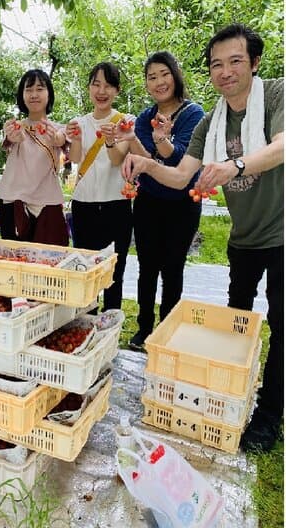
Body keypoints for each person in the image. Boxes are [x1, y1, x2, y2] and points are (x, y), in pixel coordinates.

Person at [123, 24, 283, 452]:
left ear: (254, 62)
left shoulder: (275, 96)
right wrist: (145, 165)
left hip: (282, 232)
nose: (226, 71)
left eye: (235, 61)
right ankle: (229, 394)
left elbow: (283, 145)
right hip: (244, 237)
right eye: (217, 64)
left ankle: (269, 416)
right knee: (236, 322)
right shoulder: (210, 121)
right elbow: (178, 176)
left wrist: (237, 166)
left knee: (281, 327)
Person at [113, 52, 205, 348]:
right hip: (149, 202)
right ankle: (143, 328)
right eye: (151, 77)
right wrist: (128, 139)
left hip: (182, 203)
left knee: (173, 267)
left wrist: (162, 139)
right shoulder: (144, 116)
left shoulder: (194, 114)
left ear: (175, 75)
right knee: (147, 266)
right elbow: (142, 157)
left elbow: (178, 159)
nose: (158, 82)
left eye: (164, 74)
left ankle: (167, 330)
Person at [64, 62, 133, 311]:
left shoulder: (125, 122)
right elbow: (74, 158)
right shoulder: (79, 122)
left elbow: (116, 160)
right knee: (85, 269)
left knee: (114, 271)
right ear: (89, 88)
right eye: (96, 84)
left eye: (108, 85)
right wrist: (76, 138)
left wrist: (111, 140)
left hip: (116, 204)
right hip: (84, 205)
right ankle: (87, 319)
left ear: (117, 90)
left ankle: (110, 323)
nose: (101, 91)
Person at [0, 69, 69, 246]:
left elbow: (62, 142)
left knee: (49, 266)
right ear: (22, 95)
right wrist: (14, 135)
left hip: (47, 204)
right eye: (28, 89)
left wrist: (57, 139)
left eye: (39, 89)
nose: (34, 94)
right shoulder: (15, 127)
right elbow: (12, 139)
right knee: (15, 264)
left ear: (49, 93)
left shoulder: (58, 129)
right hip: (14, 204)